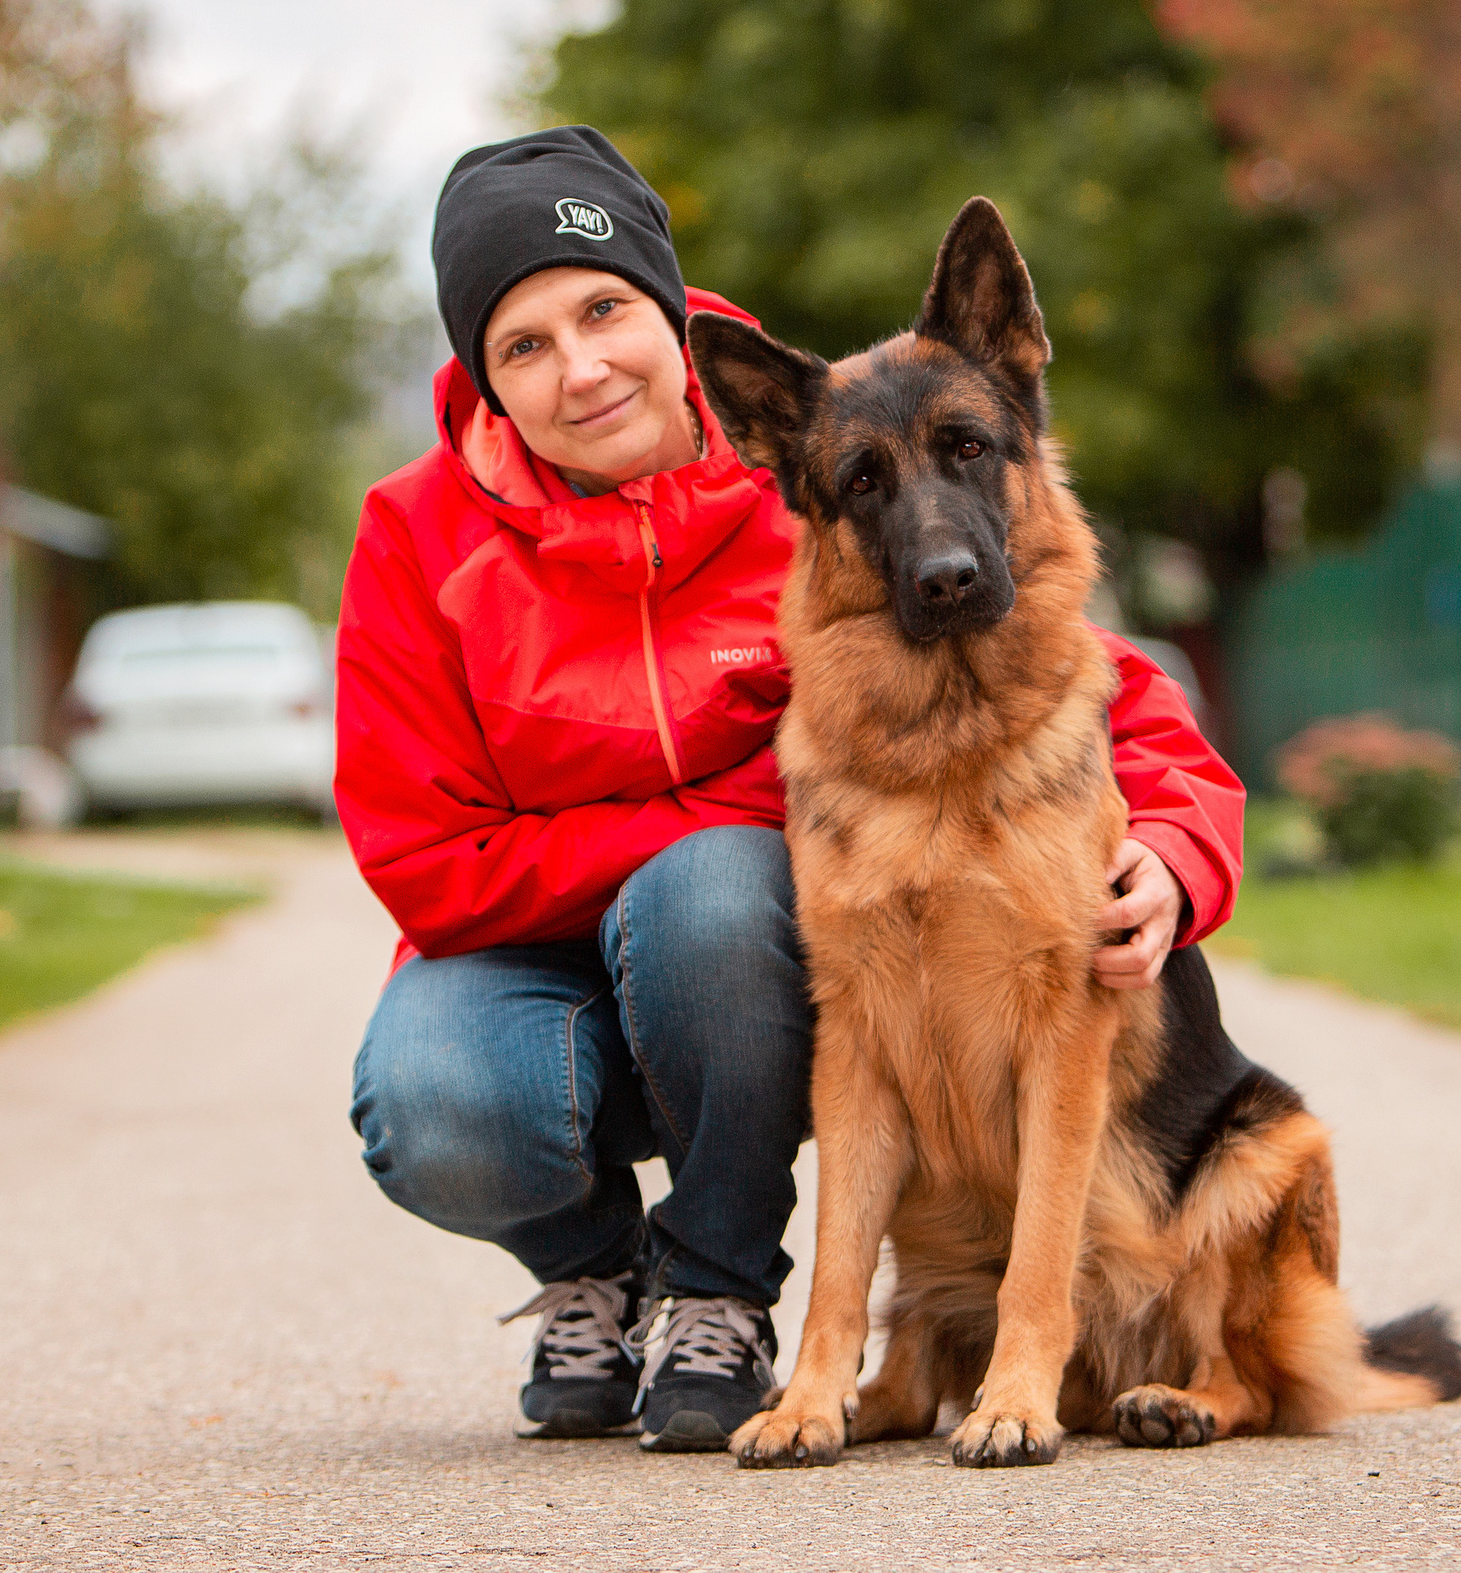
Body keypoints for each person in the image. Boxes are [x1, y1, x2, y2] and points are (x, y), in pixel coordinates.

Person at [334, 126, 1245, 1453]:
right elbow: (422, 862)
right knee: (436, 1093)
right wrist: (723, 817)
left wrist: (1175, 849)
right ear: (485, 375)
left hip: (730, 972)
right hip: (531, 966)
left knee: (713, 900)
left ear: (664, 308)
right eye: (524, 344)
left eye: (604, 310)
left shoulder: (818, 466)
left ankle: (715, 1290)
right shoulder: (415, 534)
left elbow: (1092, 688)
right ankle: (597, 1269)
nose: (581, 366)